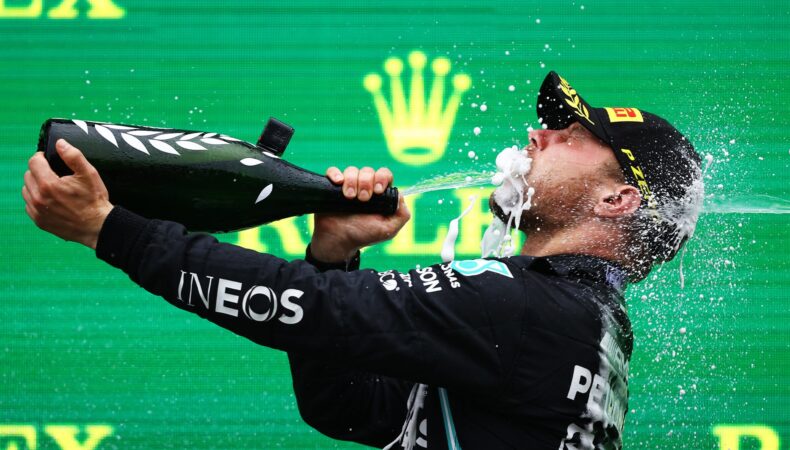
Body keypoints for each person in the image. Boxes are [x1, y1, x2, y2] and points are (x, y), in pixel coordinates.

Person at [22, 71, 702, 449]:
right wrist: (332, 252)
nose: (538, 134)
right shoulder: (577, 316)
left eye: (572, 135)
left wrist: (110, 230)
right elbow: (349, 407)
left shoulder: (527, 307)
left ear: (617, 199)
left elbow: (311, 310)